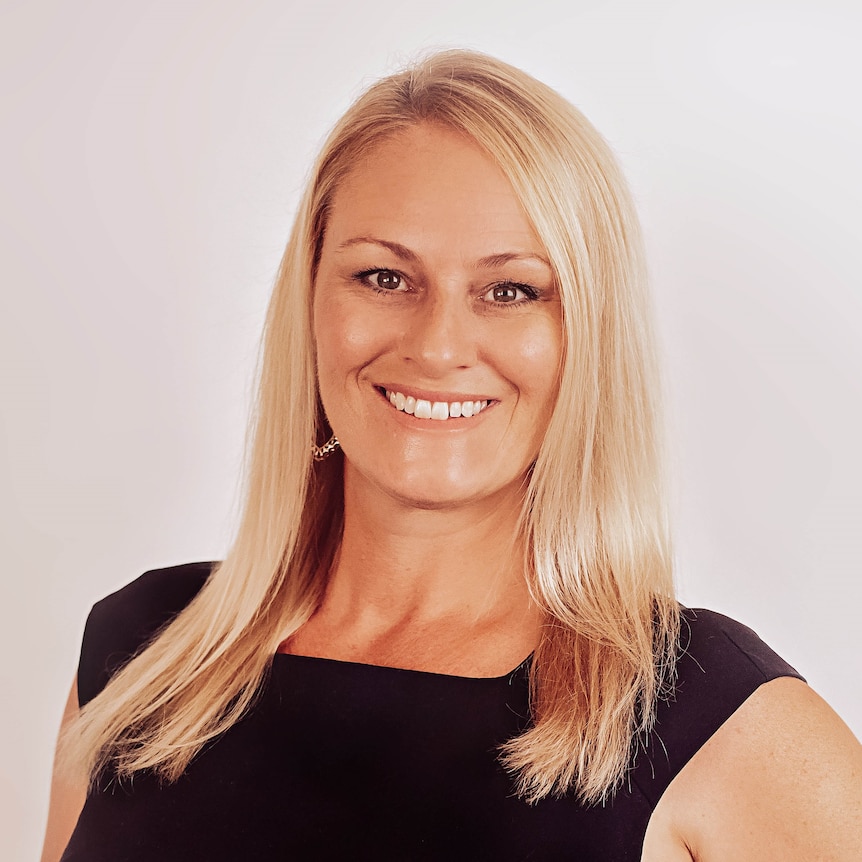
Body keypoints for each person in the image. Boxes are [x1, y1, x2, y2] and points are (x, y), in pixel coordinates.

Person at [42, 50, 861, 861]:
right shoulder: (142, 653)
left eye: (511, 291)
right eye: (384, 278)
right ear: (312, 301)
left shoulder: (706, 716)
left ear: (588, 337)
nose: (438, 348)